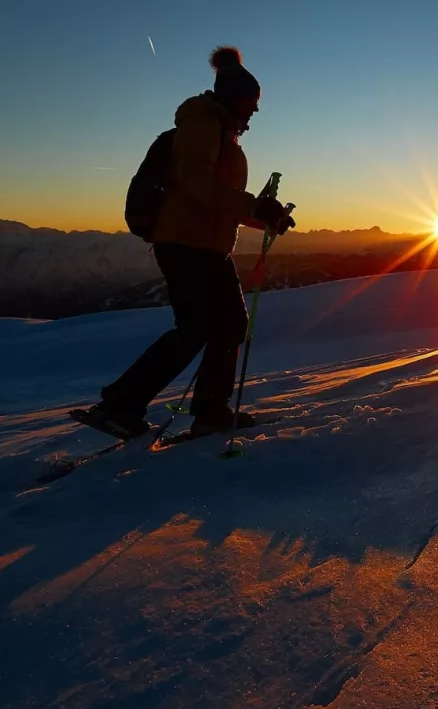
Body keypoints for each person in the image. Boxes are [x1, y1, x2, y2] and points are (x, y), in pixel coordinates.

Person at [76, 46, 295, 439]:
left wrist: (263, 216)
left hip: (200, 243)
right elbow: (197, 186)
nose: (255, 111)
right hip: (187, 243)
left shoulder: (220, 132)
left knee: (214, 325)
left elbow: (215, 197)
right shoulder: (202, 124)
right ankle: (136, 406)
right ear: (232, 98)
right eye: (251, 102)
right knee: (208, 325)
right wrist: (256, 207)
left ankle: (153, 407)